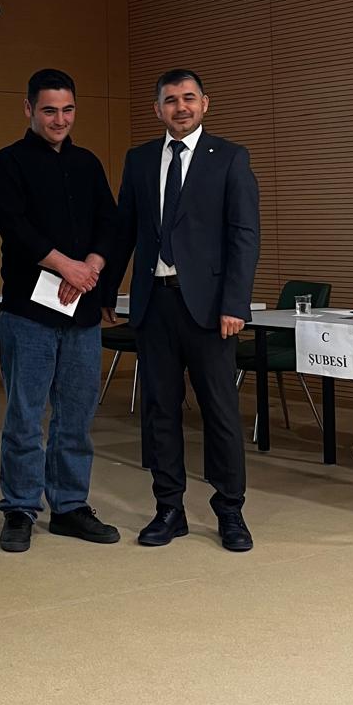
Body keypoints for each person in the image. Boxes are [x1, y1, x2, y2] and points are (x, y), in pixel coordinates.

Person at [110, 68, 260, 552]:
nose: (181, 107)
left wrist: (235, 302)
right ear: (157, 109)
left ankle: (230, 510)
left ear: (205, 104)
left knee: (220, 410)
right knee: (159, 410)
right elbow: (124, 231)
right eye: (171, 100)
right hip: (154, 304)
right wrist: (107, 293)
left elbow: (244, 235)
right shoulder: (139, 160)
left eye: (189, 98)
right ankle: (168, 509)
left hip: (211, 309)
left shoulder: (230, 158)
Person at [0, 69, 120, 553]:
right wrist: (67, 266)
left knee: (76, 416)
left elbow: (109, 223)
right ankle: (20, 508)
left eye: (67, 110)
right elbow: (15, 228)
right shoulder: (8, 163)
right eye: (49, 110)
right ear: (29, 109)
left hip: (81, 314)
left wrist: (91, 267)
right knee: (25, 417)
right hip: (29, 313)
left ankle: (69, 507)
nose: (59, 119)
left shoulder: (88, 163)